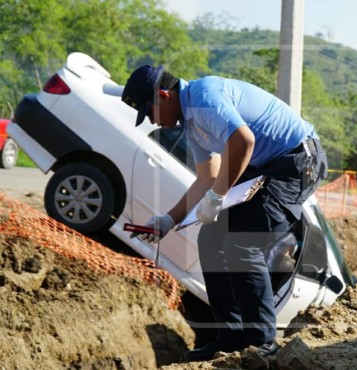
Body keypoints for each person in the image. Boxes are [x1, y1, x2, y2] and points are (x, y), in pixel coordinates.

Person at [121, 65, 328, 362]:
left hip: (298, 161)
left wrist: (217, 197)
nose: (153, 121)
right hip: (270, 163)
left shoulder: (205, 98)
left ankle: (262, 346)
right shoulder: (192, 122)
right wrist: (168, 219)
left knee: (242, 244)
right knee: (211, 238)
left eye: (150, 112)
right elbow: (206, 176)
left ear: (164, 96)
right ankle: (229, 338)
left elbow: (244, 141)